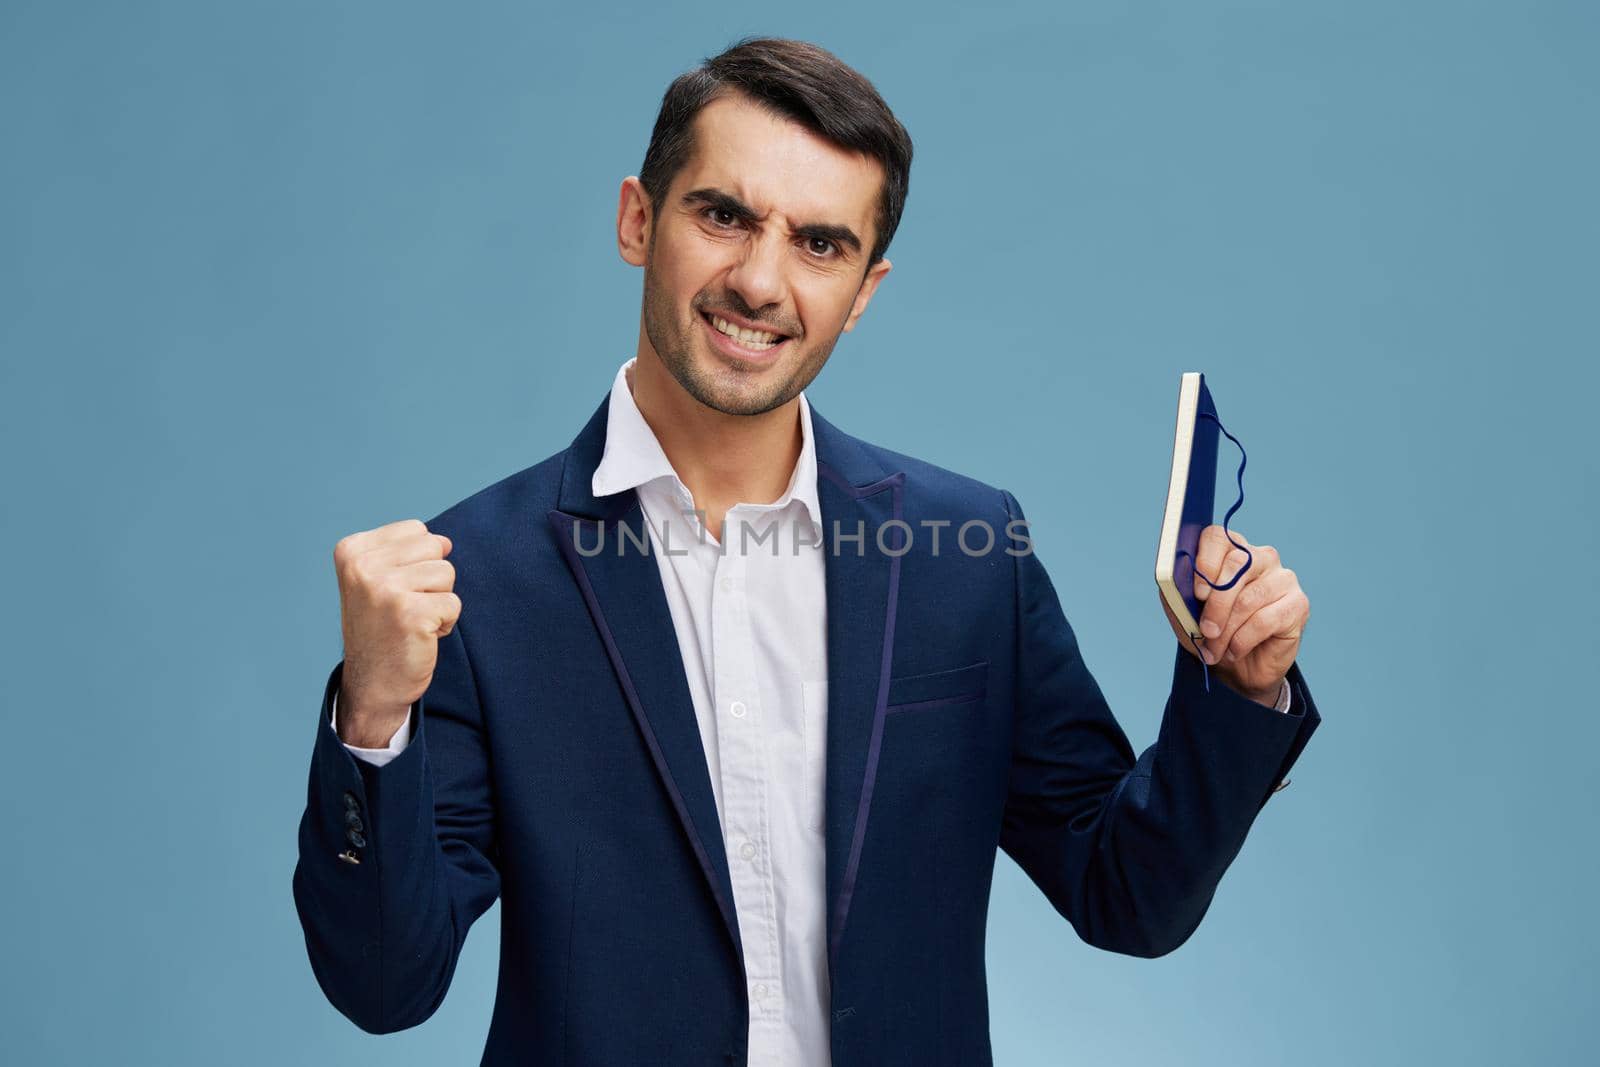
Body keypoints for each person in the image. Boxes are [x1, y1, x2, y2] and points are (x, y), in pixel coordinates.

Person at [293, 35, 1320, 1067]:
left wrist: (1236, 693)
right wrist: (374, 714)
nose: (759, 280)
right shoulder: (476, 577)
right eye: (723, 215)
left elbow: (1126, 893)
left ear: (865, 288)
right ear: (637, 220)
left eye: (819, 244)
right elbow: (387, 984)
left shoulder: (966, 557)